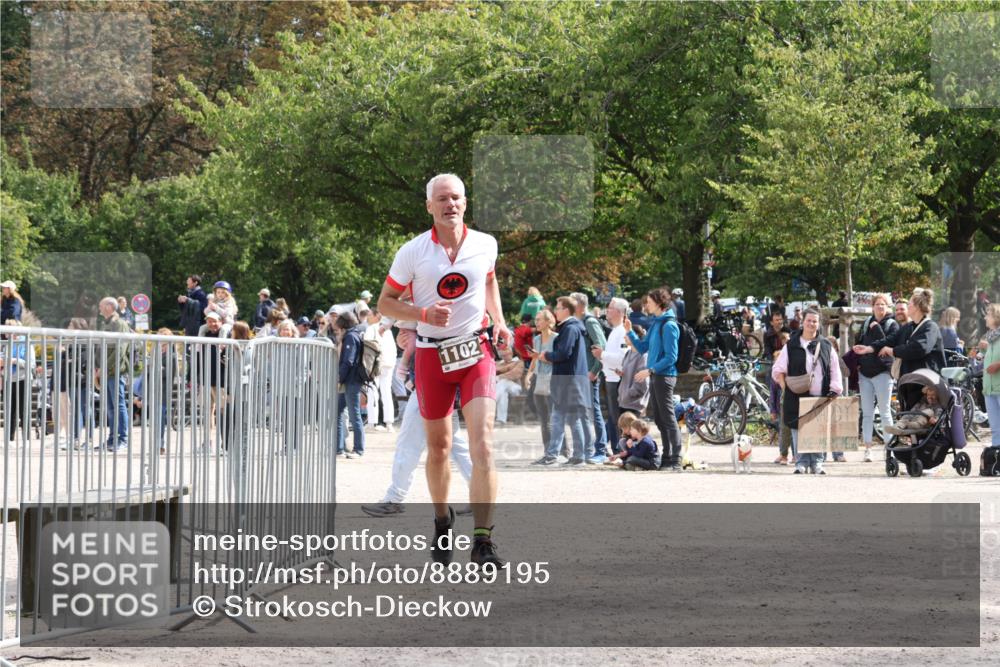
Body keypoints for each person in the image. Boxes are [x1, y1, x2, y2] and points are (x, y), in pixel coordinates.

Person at [377, 173, 510, 567]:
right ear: (429, 207)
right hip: (433, 355)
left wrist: (498, 320)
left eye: (456, 198)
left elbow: (489, 281)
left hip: (476, 350)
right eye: (442, 199)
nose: (450, 204)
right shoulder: (413, 252)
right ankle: (441, 519)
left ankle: (483, 540)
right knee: (439, 449)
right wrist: (421, 314)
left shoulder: (486, 244)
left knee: (483, 442)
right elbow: (385, 302)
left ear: (465, 203)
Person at [362, 325, 477, 517]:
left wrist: (408, 329)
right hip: (440, 371)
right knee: (454, 443)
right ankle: (480, 493)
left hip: (433, 375)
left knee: (409, 441)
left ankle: (394, 498)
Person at [771, 307, 843, 475]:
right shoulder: (792, 345)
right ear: (803, 322)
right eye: (809, 320)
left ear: (818, 324)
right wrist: (785, 387)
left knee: (818, 429)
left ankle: (817, 463)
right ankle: (801, 463)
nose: (811, 324)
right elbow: (778, 369)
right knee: (798, 428)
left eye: (815, 321)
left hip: (820, 394)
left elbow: (834, 368)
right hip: (795, 395)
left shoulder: (826, 345)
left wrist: (835, 389)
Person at [622, 288, 682, 471]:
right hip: (656, 375)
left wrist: (651, 369)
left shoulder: (669, 325)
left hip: (665, 376)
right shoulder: (656, 323)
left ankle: (675, 459)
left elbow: (671, 357)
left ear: (658, 302)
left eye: (648, 301)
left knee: (668, 419)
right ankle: (666, 457)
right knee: (659, 418)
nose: (645, 305)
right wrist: (630, 332)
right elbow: (642, 347)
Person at [538, 296, 590, 466]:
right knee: (559, 418)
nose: (556, 311)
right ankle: (554, 454)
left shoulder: (570, 328)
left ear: (566, 310)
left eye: (559, 308)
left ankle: (578, 456)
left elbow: (563, 353)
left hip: (569, 380)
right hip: (567, 380)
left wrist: (546, 355)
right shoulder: (570, 327)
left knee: (572, 419)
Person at [851, 293, 899, 462]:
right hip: (865, 373)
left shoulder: (893, 324)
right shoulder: (865, 323)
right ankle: (868, 448)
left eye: (883, 304)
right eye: (877, 304)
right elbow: (860, 342)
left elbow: (889, 344)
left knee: (885, 411)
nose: (880, 307)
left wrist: (876, 328)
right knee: (867, 413)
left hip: (883, 373)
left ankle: (889, 448)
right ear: (872, 307)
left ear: (888, 307)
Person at [866, 289, 945, 380]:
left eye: (909, 304)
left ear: (917, 307)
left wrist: (892, 351)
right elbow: (891, 339)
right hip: (909, 381)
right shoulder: (908, 327)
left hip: (926, 384)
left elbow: (918, 348)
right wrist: (869, 348)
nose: (907, 307)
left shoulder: (930, 327)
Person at [571, 291, 609, 462]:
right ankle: (588, 449)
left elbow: (602, 346)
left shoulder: (590, 322)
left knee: (594, 411)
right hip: (579, 375)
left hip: (589, 375)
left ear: (579, 305)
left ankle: (601, 449)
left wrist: (594, 371)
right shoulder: (577, 322)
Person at [95, 297, 132, 452]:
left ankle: (122, 439)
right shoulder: (108, 324)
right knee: (111, 406)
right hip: (106, 371)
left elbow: (120, 350)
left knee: (118, 404)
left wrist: (103, 367)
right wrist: (98, 367)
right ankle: (112, 439)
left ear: (109, 307)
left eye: (101, 305)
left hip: (115, 371)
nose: (99, 308)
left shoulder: (119, 324)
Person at [594, 297, 629, 444]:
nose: (607, 310)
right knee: (614, 418)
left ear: (619, 312)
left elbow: (622, 358)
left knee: (617, 419)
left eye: (610, 308)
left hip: (616, 380)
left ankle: (620, 449)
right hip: (611, 379)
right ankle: (617, 448)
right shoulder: (616, 331)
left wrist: (601, 354)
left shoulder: (621, 332)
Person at [525, 308, 557, 461]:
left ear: (548, 321)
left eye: (539, 319)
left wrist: (541, 357)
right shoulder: (537, 339)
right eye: (536, 319)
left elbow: (559, 359)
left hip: (553, 381)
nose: (536, 322)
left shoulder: (556, 338)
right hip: (539, 381)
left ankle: (559, 452)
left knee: (553, 418)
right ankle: (548, 452)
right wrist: (529, 374)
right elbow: (534, 358)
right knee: (544, 420)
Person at [333, 311, 366, 458]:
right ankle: (339, 448)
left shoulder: (351, 337)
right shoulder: (353, 334)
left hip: (351, 381)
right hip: (349, 380)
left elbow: (349, 361)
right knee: (338, 412)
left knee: (354, 415)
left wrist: (339, 378)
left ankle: (358, 449)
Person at [363, 307, 398, 431]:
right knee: (386, 392)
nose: (367, 317)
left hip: (376, 364)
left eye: (369, 315)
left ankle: (372, 422)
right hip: (388, 363)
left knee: (372, 392)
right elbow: (393, 349)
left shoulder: (371, 328)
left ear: (376, 315)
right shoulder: (387, 329)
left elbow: (368, 348)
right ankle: (389, 423)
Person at [0, 320, 35, 443]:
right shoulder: (5, 344)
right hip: (9, 379)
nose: (5, 333)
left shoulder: (26, 343)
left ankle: (26, 440)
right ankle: (9, 439)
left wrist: (14, 360)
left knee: (23, 410)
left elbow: (30, 364)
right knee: (10, 410)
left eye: (7, 329)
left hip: (23, 379)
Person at [616, 326, 650, 422]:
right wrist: (622, 373)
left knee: (633, 435)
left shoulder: (643, 356)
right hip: (623, 402)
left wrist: (629, 394)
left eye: (626, 334)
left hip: (634, 405)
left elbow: (643, 383)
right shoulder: (628, 353)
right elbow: (629, 374)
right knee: (624, 435)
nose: (624, 337)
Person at [977, 303, 1000, 448]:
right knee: (995, 428)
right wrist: (982, 353)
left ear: (997, 317)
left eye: (988, 315)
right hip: (989, 388)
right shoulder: (990, 337)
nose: (985, 317)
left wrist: (998, 364)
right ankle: (997, 461)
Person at [493, 344, 524, 425]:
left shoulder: (518, 362)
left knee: (504, 382)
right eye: (503, 354)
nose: (506, 355)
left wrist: (499, 376)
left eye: (508, 353)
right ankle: (501, 420)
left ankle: (492, 401)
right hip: (501, 389)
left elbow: (515, 374)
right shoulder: (499, 363)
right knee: (503, 393)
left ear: (512, 352)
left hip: (516, 388)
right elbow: (492, 373)